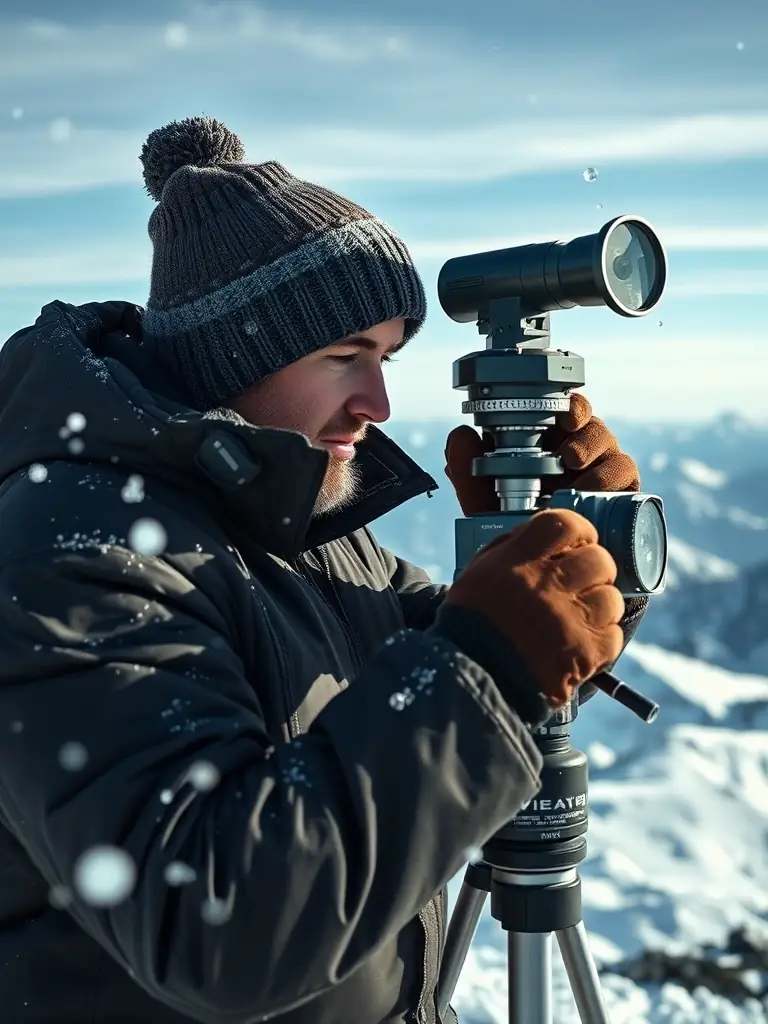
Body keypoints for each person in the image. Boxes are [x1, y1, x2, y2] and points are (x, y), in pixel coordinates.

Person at [0, 116, 648, 1024]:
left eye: (384, 357)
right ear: (231, 352)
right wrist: (491, 664)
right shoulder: (76, 555)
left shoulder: (287, 508)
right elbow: (217, 925)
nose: (377, 403)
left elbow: (454, 658)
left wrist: (577, 569)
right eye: (344, 356)